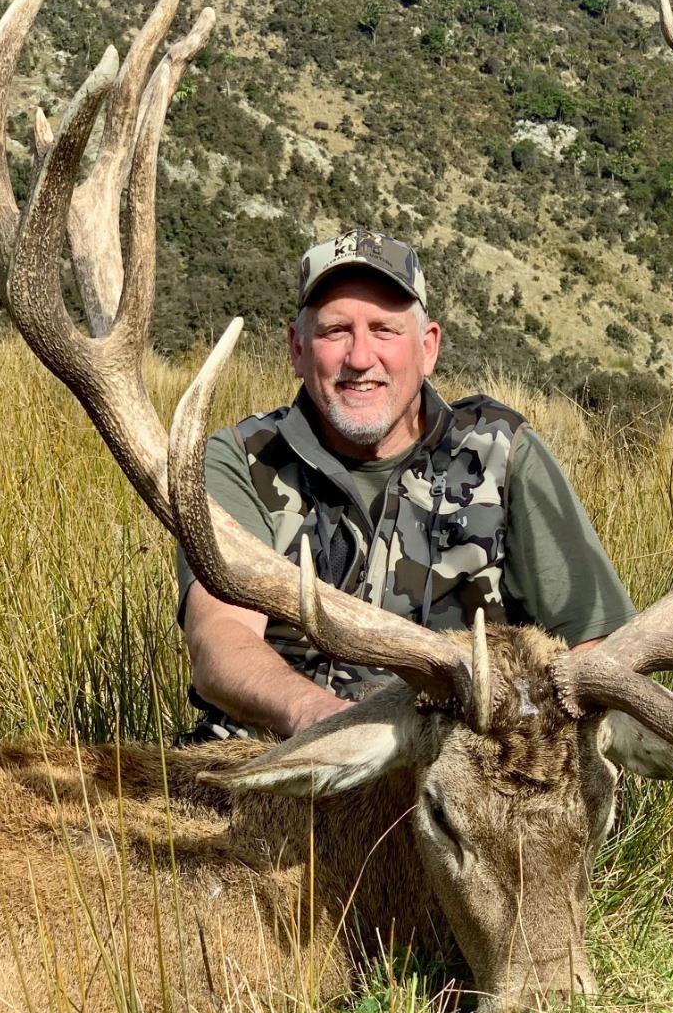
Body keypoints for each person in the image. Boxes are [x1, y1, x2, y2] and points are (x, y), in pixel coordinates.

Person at [176, 228, 636, 741]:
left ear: (428, 347)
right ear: (297, 349)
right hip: (283, 751)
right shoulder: (242, 459)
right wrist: (320, 720)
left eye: (385, 330)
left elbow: (597, 646)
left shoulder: (502, 453)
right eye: (335, 331)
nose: (360, 358)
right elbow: (221, 640)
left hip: (464, 762)